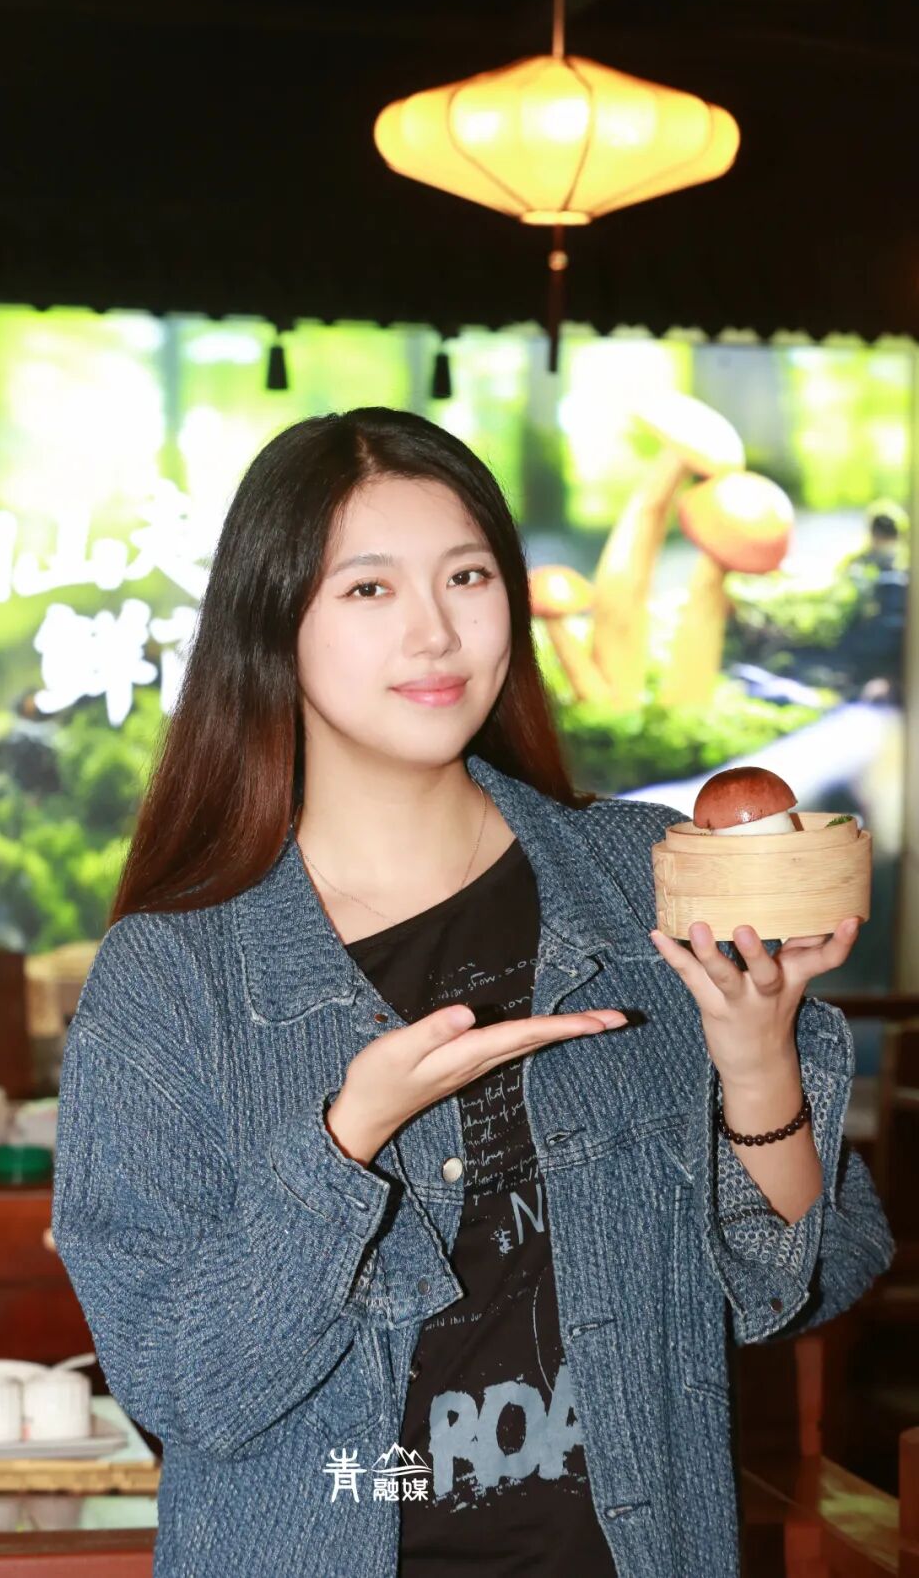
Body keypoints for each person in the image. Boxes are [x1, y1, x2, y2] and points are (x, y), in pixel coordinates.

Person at [51, 406, 895, 1578]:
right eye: (369, 589)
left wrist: (758, 1059)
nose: (435, 632)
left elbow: (807, 1281)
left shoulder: (646, 882)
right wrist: (345, 1144)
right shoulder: (174, 977)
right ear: (272, 621)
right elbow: (188, 1391)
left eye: (467, 576)